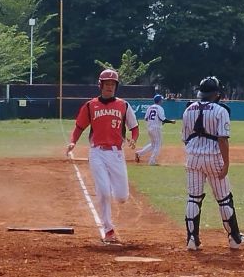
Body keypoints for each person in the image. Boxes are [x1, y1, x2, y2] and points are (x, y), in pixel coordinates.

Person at [65, 69, 140, 243]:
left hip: (116, 154)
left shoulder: (124, 105)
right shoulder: (91, 105)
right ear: (100, 85)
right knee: (104, 192)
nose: (109, 87)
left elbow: (134, 127)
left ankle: (110, 189)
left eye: (112, 84)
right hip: (97, 152)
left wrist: (134, 140)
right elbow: (79, 127)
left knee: (121, 197)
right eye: (106, 84)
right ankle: (108, 229)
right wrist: (73, 142)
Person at [180, 76, 244, 251]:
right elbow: (223, 140)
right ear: (217, 93)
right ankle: (235, 239)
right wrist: (226, 163)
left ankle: (191, 240)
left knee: (193, 198)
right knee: (224, 198)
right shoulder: (221, 110)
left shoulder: (188, 110)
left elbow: (185, 138)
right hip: (214, 157)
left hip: (193, 157)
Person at [135, 94, 174, 165]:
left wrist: (157, 121)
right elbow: (163, 119)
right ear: (159, 101)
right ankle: (152, 161)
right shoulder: (160, 108)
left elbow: (146, 118)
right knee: (158, 144)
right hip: (156, 128)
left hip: (149, 127)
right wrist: (171, 121)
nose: (162, 101)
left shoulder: (150, 107)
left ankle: (139, 153)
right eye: (161, 99)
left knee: (153, 144)